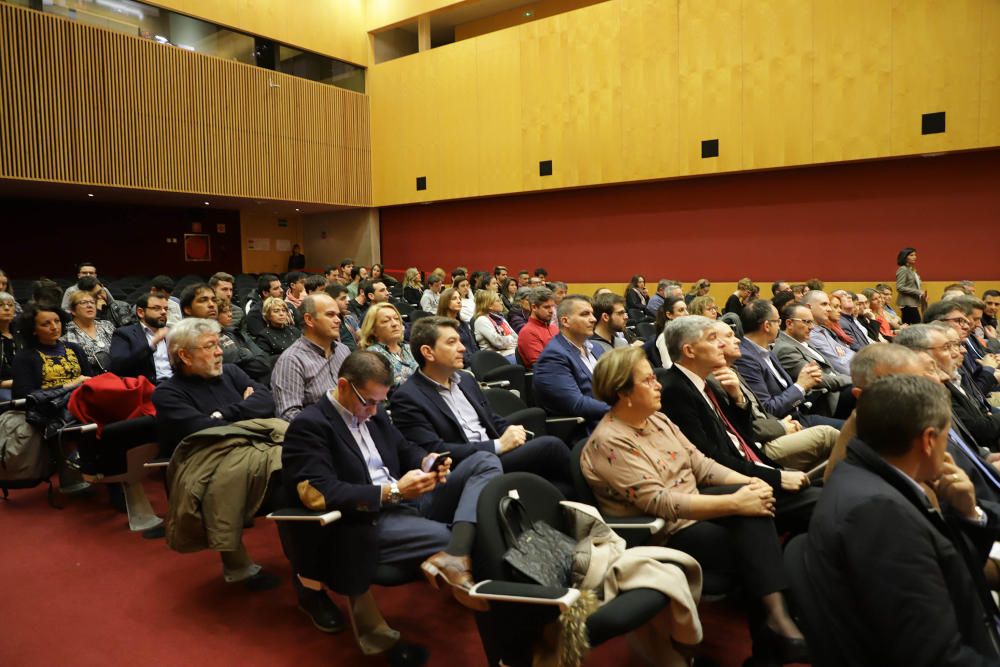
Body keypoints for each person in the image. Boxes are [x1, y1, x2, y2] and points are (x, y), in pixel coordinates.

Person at [583, 347, 808, 663]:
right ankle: (776, 629)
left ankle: (776, 628)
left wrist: (747, 484)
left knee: (754, 512)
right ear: (624, 393)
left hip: (697, 509)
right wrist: (734, 501)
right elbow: (660, 502)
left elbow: (702, 465)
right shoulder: (609, 442)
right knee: (753, 538)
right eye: (649, 380)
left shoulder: (658, 420)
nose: (659, 384)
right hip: (662, 533)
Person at [280, 350, 503, 661]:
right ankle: (459, 550)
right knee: (458, 536)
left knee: (484, 461)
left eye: (379, 403)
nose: (373, 411)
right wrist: (393, 492)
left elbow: (403, 447)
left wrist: (429, 462)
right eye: (367, 402)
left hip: (407, 499)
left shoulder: (375, 411)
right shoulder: (310, 426)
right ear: (343, 385)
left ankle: (456, 551)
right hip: (367, 517)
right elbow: (322, 493)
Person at [804, 374, 1000, 666]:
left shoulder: (867, 472)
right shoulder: (878, 514)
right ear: (929, 440)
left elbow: (955, 570)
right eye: (946, 437)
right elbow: (934, 655)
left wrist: (969, 514)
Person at [151, 318, 279, 588]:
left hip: (251, 451)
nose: (220, 351)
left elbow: (266, 399)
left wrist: (228, 412)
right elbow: (206, 430)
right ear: (184, 355)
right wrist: (243, 408)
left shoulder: (230, 372)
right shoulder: (167, 394)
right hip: (205, 463)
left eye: (218, 344)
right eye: (210, 346)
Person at [657, 316, 817, 532]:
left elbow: (742, 437)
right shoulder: (675, 390)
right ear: (689, 351)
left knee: (829, 492)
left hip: (754, 468)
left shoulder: (705, 382)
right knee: (829, 504)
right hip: (733, 486)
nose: (721, 344)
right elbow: (711, 457)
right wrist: (776, 477)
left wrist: (738, 399)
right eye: (713, 338)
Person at [390, 317, 572, 496]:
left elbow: (491, 418)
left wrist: (512, 431)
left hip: (498, 455)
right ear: (428, 353)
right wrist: (498, 445)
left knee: (561, 489)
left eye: (460, 341)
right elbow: (435, 450)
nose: (462, 348)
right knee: (552, 446)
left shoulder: (466, 380)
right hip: (467, 468)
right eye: (452, 342)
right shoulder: (407, 397)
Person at [714, 321, 837, 472]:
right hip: (759, 444)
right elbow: (752, 421)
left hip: (782, 421)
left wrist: (784, 424)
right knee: (830, 435)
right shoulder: (722, 376)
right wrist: (782, 426)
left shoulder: (733, 368)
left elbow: (760, 412)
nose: (738, 340)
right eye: (729, 336)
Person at [533, 295, 609, 430]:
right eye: (585, 314)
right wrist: (621, 409)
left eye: (592, 313)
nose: (593, 319)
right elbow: (576, 404)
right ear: (565, 321)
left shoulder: (596, 348)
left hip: (613, 420)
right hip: (588, 429)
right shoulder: (553, 357)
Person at [272, 294, 349, 422]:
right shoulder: (292, 360)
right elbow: (288, 414)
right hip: (321, 432)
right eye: (330, 315)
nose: (338, 320)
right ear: (309, 319)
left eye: (338, 315)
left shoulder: (343, 350)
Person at [773, 302, 853, 416]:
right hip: (826, 399)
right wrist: (852, 380)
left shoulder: (802, 340)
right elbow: (817, 379)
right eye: (807, 322)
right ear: (789, 323)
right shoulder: (784, 349)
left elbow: (830, 369)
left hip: (837, 389)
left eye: (812, 322)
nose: (812, 327)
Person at [12, 302, 94, 398]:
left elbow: (90, 380)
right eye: (46, 324)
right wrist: (67, 386)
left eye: (57, 321)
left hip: (79, 402)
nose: (54, 327)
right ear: (33, 329)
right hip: (46, 407)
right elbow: (23, 394)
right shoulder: (24, 356)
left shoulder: (74, 348)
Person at [109, 294, 172, 385]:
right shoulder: (124, 334)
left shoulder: (171, 333)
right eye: (156, 308)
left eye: (165, 309)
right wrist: (152, 344)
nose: (163, 312)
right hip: (149, 387)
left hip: (176, 384)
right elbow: (119, 366)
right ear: (140, 312)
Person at [361, 303, 417, 389]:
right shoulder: (372, 356)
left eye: (397, 318)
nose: (395, 324)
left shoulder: (409, 348)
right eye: (386, 321)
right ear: (373, 330)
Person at [216, 298, 271, 384]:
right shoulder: (214, 336)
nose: (230, 314)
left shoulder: (234, 332)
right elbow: (230, 361)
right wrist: (245, 352)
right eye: (224, 312)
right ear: (214, 315)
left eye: (230, 311)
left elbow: (263, 359)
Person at [801, 290, 855, 377]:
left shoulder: (822, 330)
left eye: (829, 305)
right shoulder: (811, 335)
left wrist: (843, 356)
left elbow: (848, 352)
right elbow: (842, 366)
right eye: (824, 304)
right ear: (808, 307)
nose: (829, 309)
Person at [63, 289, 115, 371]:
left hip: (115, 375)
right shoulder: (67, 333)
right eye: (83, 302)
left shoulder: (107, 325)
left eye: (92, 302)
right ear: (73, 311)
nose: (89, 305)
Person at [515, 287, 558, 369]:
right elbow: (542, 365)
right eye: (546, 307)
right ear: (534, 307)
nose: (551, 311)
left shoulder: (554, 329)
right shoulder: (527, 332)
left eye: (552, 306)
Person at [471, 290, 517, 362]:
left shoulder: (500, 318)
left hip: (511, 352)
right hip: (496, 358)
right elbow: (499, 342)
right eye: (498, 301)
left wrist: (510, 341)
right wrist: (511, 339)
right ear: (489, 305)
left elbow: (516, 337)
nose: (501, 303)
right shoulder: (482, 320)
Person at [253, 296, 301, 364]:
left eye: (284, 310)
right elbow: (265, 361)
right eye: (276, 311)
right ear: (268, 315)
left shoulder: (294, 331)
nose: (281, 314)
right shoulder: (264, 336)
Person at [895, 246, 925, 325]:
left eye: (915, 255)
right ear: (905, 257)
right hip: (907, 303)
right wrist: (918, 292)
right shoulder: (903, 269)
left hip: (913, 303)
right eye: (911, 255)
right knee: (918, 326)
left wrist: (922, 294)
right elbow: (900, 287)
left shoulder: (911, 270)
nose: (914, 257)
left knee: (907, 325)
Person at [325, 283, 359, 351]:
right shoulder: (326, 324)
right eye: (343, 299)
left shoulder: (349, 319)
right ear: (331, 300)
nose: (347, 302)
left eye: (346, 298)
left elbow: (362, 337)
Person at [0, 291, 19, 401]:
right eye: (0, 305)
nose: (7, 308)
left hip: (25, 383)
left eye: (10, 305)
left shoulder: (22, 335)